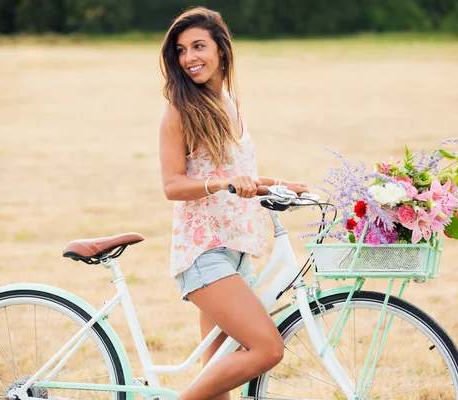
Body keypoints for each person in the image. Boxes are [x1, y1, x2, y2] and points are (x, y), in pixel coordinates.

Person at [158, 7, 309, 400]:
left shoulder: (230, 101)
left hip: (237, 250)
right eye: (181, 50)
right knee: (267, 348)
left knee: (217, 383)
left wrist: (282, 185)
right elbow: (173, 184)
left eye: (198, 46)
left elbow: (238, 172)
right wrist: (222, 182)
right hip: (203, 252)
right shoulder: (180, 110)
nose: (189, 57)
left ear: (221, 51)